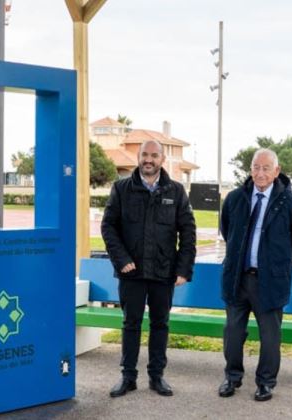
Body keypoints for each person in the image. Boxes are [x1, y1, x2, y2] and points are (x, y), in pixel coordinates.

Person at [101, 139, 196, 398]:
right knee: (131, 324)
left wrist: (183, 269)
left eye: (154, 155)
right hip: (131, 272)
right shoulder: (121, 189)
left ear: (162, 159)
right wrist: (121, 260)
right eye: (145, 154)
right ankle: (128, 377)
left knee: (160, 324)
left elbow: (188, 231)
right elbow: (108, 227)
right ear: (138, 156)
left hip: (163, 272)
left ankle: (157, 377)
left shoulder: (175, 191)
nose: (149, 160)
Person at [218, 148, 292, 402]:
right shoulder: (236, 198)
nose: (260, 173)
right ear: (250, 170)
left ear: (277, 171)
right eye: (256, 168)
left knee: (270, 336)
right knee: (233, 332)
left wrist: (278, 263)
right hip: (238, 278)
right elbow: (227, 229)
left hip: (270, 281)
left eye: (265, 168)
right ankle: (232, 377)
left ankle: (266, 382)